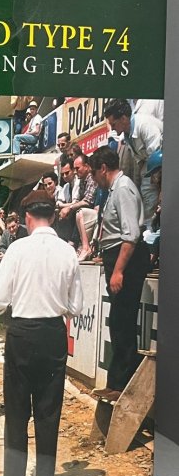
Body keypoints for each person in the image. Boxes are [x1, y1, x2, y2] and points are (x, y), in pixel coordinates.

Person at [0, 191, 83, 476]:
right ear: (54, 216)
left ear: (27, 217)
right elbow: (75, 307)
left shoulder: (17, 249)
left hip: (23, 333)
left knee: (16, 417)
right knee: (48, 415)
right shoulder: (68, 252)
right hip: (53, 335)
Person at [88, 146, 150, 401]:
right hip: (116, 255)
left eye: (94, 174)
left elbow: (131, 235)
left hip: (126, 259)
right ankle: (117, 382)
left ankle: (122, 385)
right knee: (118, 322)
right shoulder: (116, 189)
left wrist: (119, 271)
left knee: (123, 322)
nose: (94, 180)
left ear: (103, 168)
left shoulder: (123, 188)